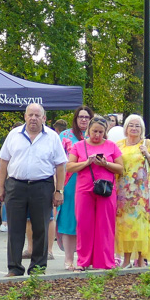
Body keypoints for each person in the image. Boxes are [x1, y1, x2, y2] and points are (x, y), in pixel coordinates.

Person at [0, 103, 67, 276]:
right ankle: (14, 268)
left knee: (41, 228)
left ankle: (38, 268)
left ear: (44, 118)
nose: (34, 118)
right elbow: (4, 161)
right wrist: (0, 187)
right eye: (30, 115)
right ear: (25, 116)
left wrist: (59, 191)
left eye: (37, 115)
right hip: (15, 185)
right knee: (15, 228)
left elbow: (60, 165)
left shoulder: (52, 137)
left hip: (42, 186)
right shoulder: (14, 135)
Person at [66, 116, 124, 270]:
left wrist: (106, 164)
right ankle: (83, 261)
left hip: (105, 189)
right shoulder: (79, 146)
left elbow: (121, 169)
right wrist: (86, 162)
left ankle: (105, 261)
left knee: (105, 225)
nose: (97, 135)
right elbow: (70, 166)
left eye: (100, 132)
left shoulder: (111, 146)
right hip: (84, 190)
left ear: (105, 132)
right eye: (94, 131)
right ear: (88, 130)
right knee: (84, 225)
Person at [115, 115, 150, 267]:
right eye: (131, 125)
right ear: (126, 128)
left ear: (142, 129)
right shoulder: (119, 145)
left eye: (137, 126)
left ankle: (140, 260)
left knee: (140, 225)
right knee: (124, 226)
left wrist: (147, 154)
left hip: (140, 194)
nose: (134, 128)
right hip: (122, 193)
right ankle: (126, 260)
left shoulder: (146, 143)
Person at [57, 106, 93, 270]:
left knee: (88, 221)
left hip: (92, 182)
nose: (84, 120)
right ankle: (68, 259)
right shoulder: (65, 136)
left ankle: (85, 258)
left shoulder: (97, 135)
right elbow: (57, 161)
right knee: (69, 220)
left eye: (87, 117)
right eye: (81, 117)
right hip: (70, 181)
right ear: (75, 118)